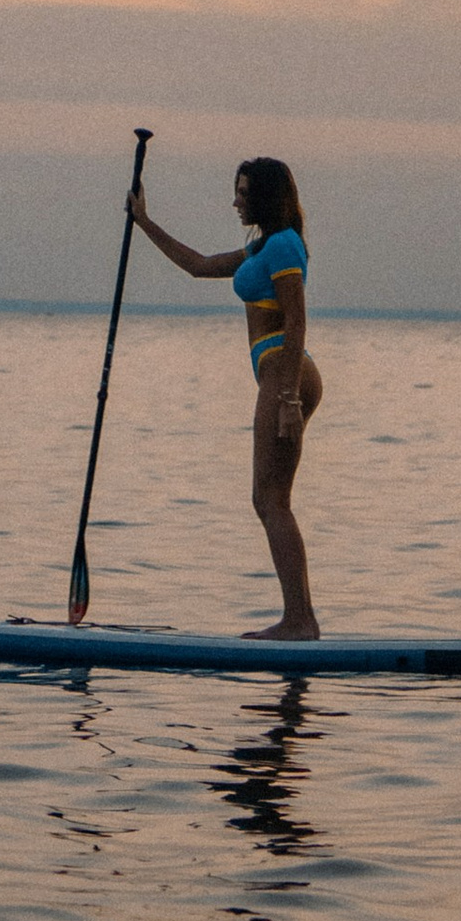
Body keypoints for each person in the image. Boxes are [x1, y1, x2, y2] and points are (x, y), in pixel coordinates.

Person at [127, 155, 323, 639]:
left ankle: (300, 620)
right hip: (279, 373)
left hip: (284, 371)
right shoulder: (261, 249)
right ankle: (299, 618)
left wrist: (289, 401)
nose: (234, 201)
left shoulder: (283, 246)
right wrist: (144, 221)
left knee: (271, 500)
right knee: (269, 499)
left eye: (242, 192)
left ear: (264, 196)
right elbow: (198, 266)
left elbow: (296, 319)